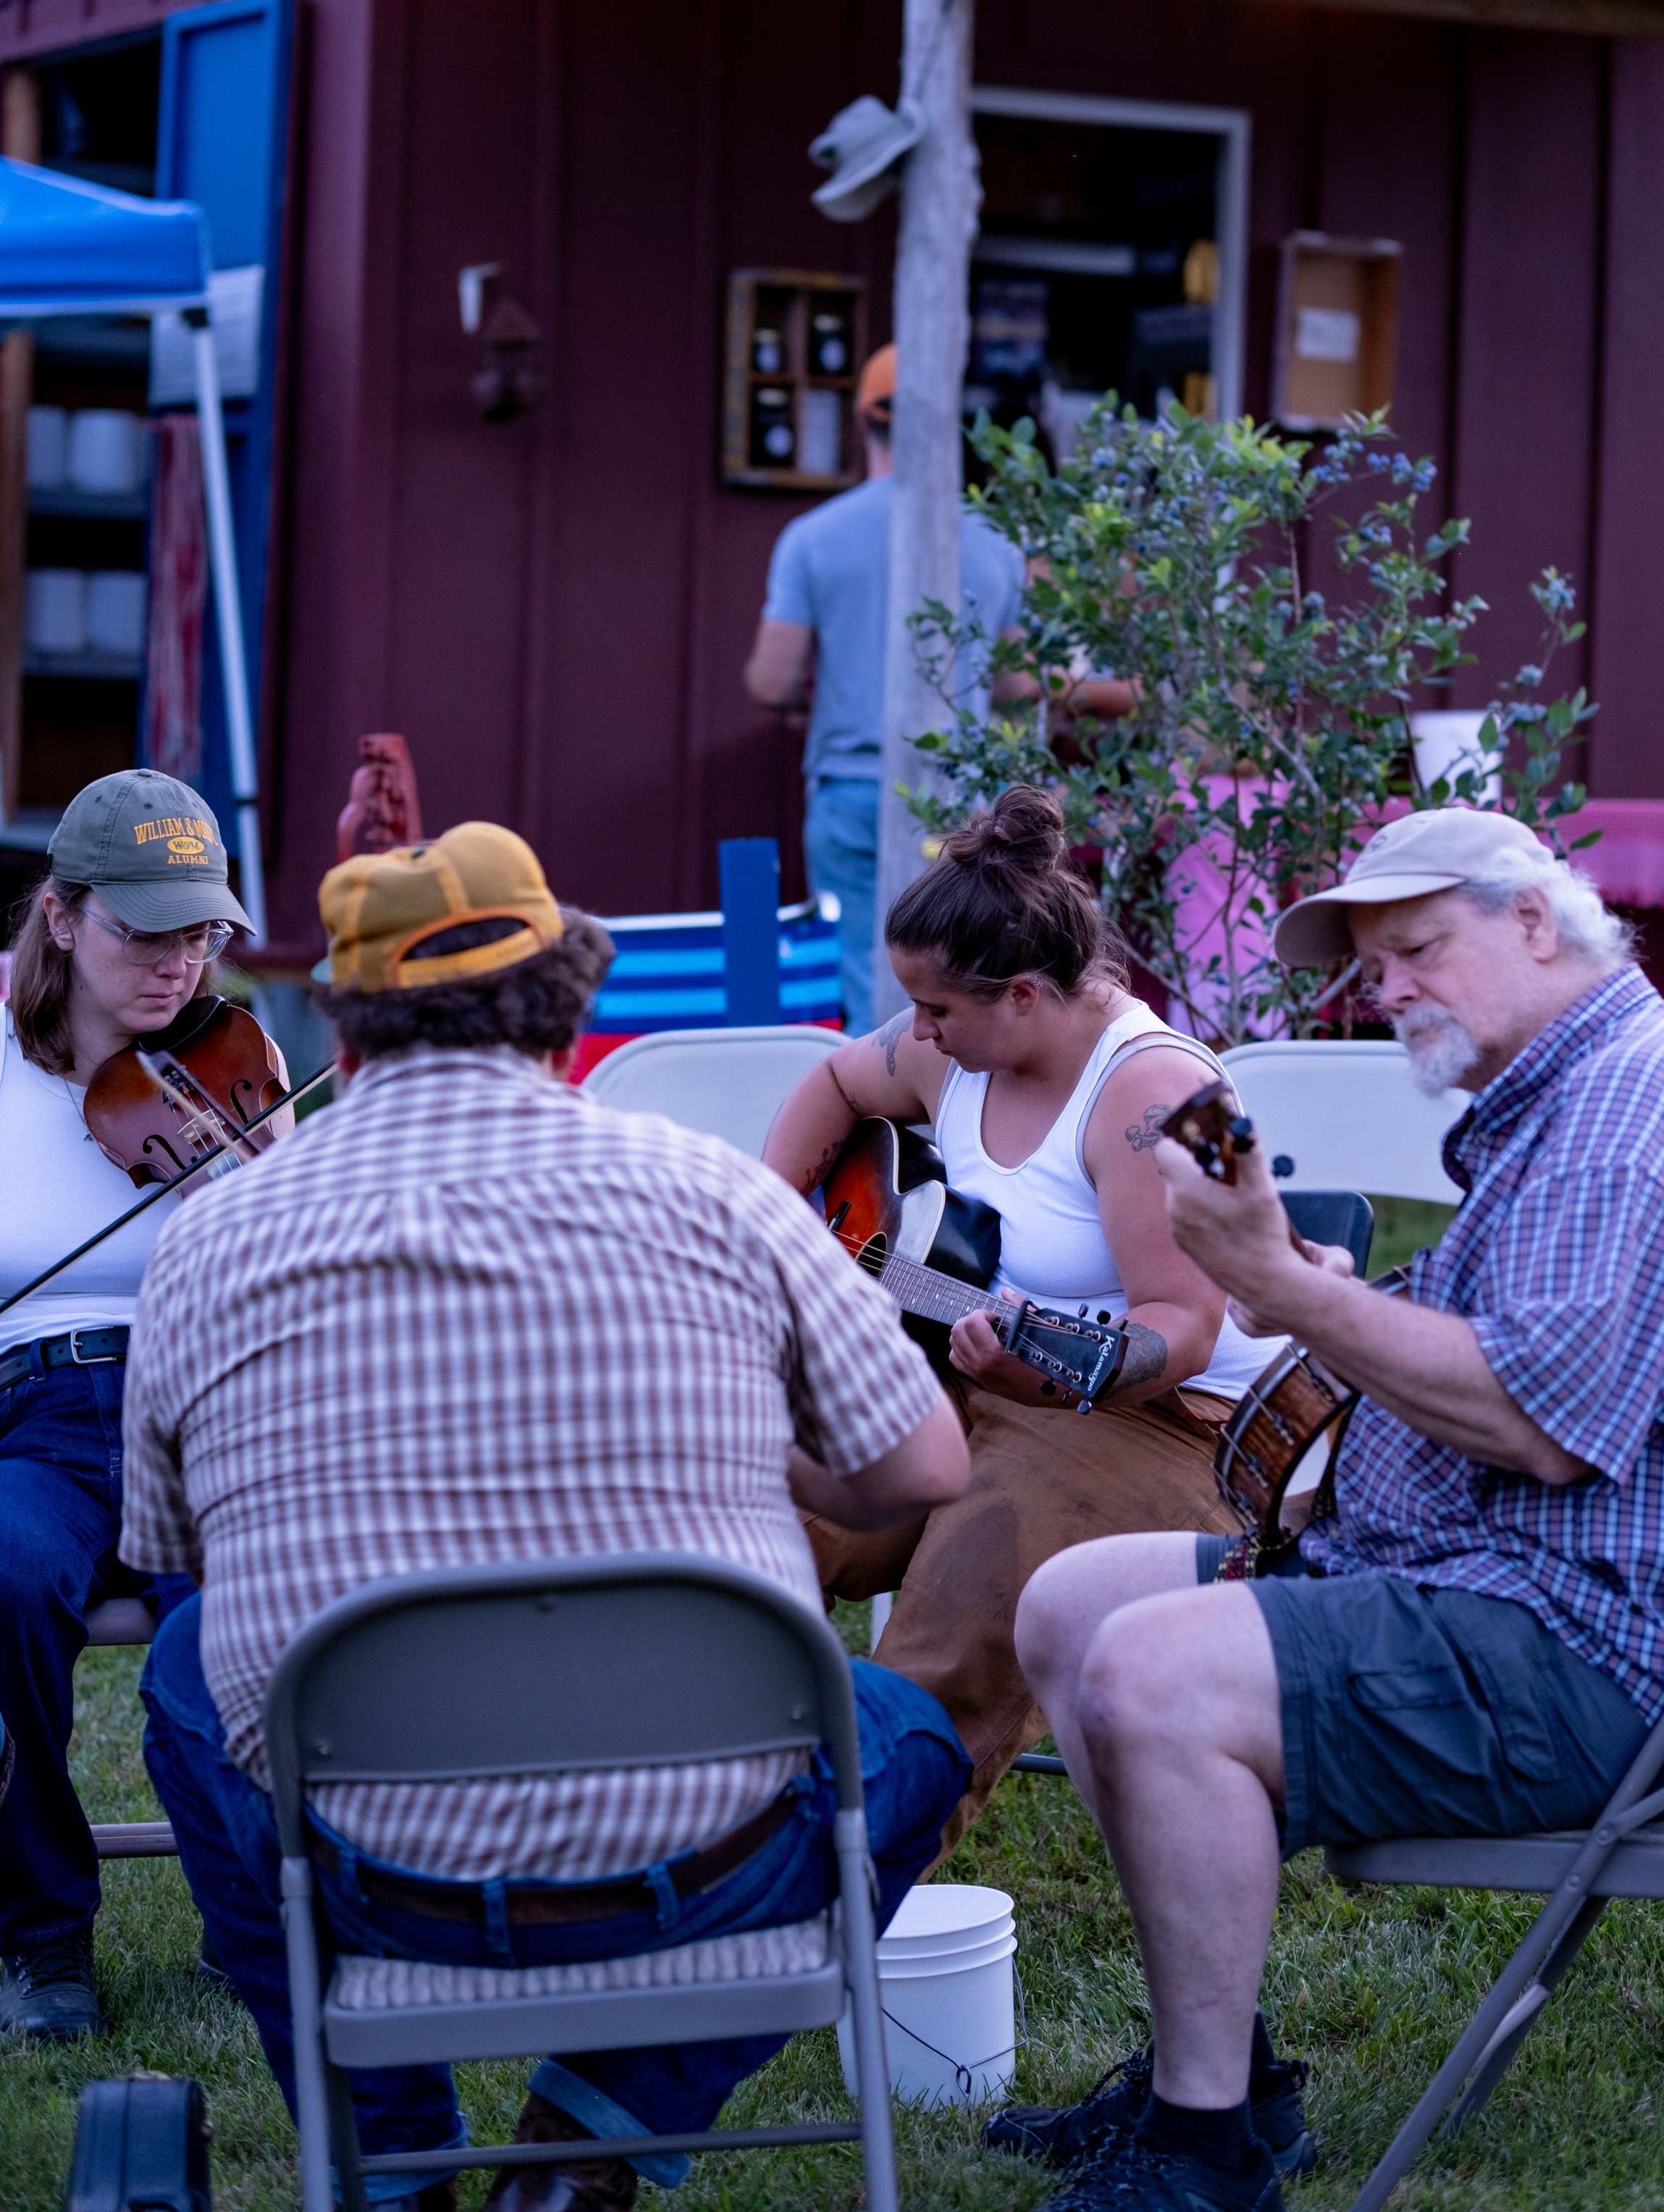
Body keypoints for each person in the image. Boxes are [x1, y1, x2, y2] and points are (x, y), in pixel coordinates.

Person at [121, 820, 970, 2212]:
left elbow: (175, 1550)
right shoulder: (718, 1193)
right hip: (713, 1858)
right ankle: (591, 2147)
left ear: (341, 1012)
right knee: (911, 1739)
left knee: (183, 1666)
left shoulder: (211, 1235)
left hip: (369, 1869)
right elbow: (926, 1470)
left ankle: (392, 2162)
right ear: (572, 995)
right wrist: (765, 1464)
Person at [1001, 805, 1664, 2212]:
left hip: (1620, 1657)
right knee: (1073, 1605)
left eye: (1418, 948)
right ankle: (1227, 2079)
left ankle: (1200, 2160)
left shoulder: (1627, 1121)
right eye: (1373, 966)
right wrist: (1302, 1275)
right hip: (1526, 1583)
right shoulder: (1580, 1082)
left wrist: (1282, 1284)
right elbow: (1518, 1357)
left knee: (1152, 1672)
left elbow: (1530, 1424)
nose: (1389, 991)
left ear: (1534, 924)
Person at [761, 789, 1311, 2142]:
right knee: (744, 1496)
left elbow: (1189, 1329)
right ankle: (650, 1817)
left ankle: (795, 1924)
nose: (918, 1035)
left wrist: (1050, 1366)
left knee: (952, 1629)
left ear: (1023, 993)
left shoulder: (1178, 1100)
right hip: (984, 1372)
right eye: (916, 1012)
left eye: (939, 1011)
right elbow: (842, 1079)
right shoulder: (954, 1049)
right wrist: (779, 1225)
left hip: (1177, 1431)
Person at [0, 768, 256, 2043]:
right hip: (34, 1409)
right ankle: (40, 1941)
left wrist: (252, 1209)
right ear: (62, 916)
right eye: (144, 932)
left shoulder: (234, 1067)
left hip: (203, 1405)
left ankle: (251, 1920)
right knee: (2, 1575)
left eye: (200, 933)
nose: (178, 964)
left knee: (249, 1608)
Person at [744, 342, 1025, 1035]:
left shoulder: (813, 537)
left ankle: (885, 1127)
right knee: (964, 971)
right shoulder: (1000, 545)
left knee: (864, 973)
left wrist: (816, 696)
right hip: (963, 798)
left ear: (863, 423)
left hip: (854, 789)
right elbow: (1018, 684)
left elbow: (770, 679)